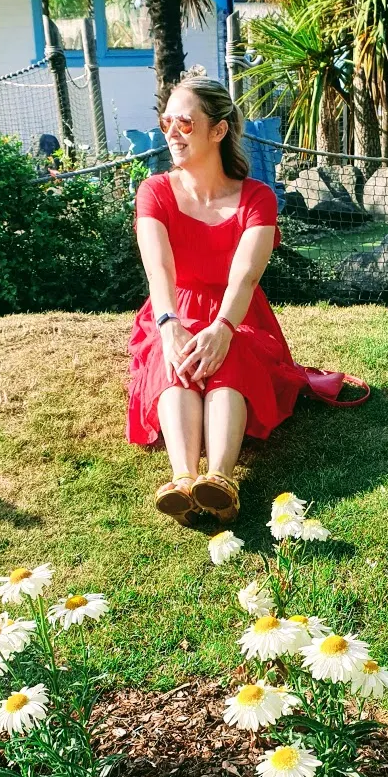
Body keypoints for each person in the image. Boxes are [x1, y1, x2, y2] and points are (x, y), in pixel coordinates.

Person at [127, 73, 309, 524]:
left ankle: (221, 480)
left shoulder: (257, 197)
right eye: (167, 121)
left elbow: (245, 277)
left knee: (232, 354)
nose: (171, 132)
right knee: (174, 360)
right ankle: (184, 480)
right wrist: (169, 325)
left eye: (185, 123)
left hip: (238, 313)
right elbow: (159, 268)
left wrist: (224, 328)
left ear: (218, 129)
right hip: (174, 308)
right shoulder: (154, 191)